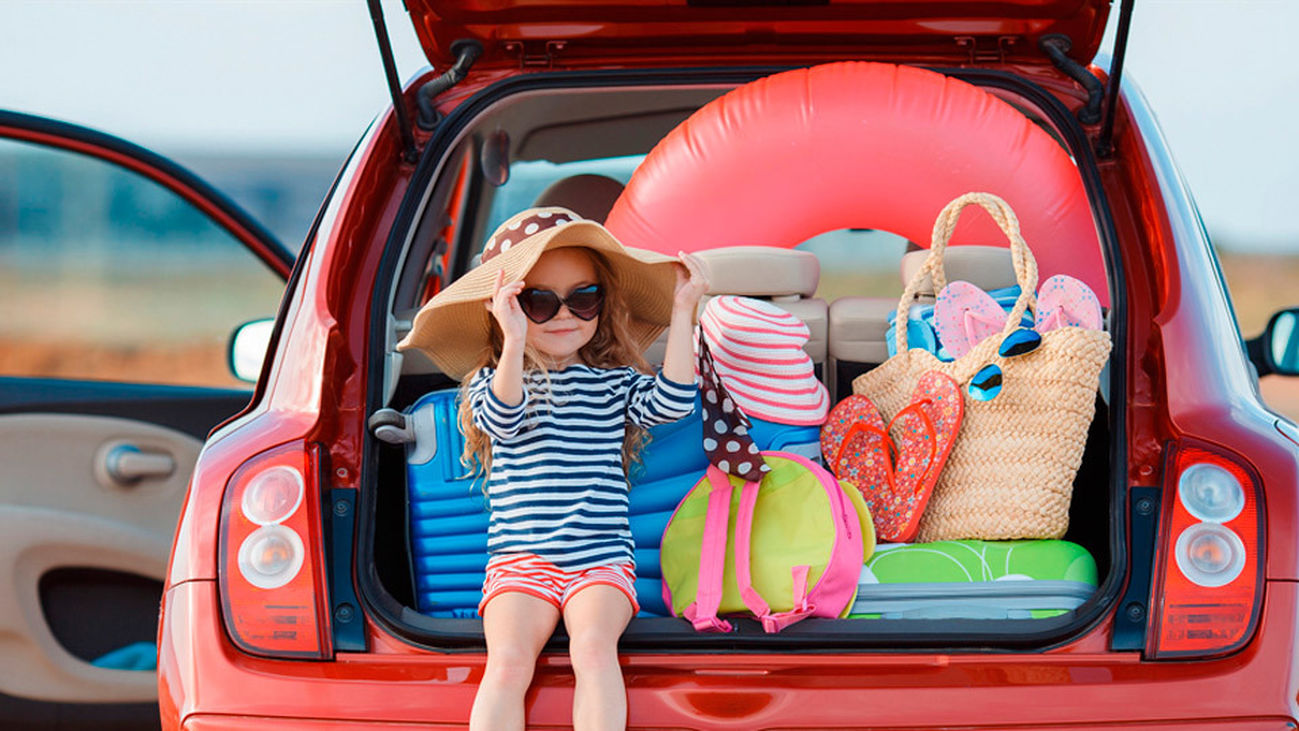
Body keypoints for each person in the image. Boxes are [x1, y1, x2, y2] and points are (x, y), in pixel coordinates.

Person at [398, 206, 708, 730]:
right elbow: (501, 418)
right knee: (509, 663)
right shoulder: (492, 382)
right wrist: (514, 341)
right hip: (520, 563)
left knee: (593, 650)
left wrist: (684, 311)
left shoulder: (613, 384)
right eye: (538, 302)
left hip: (600, 561)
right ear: (508, 310)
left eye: (584, 298)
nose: (564, 315)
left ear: (603, 304)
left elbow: (674, 402)